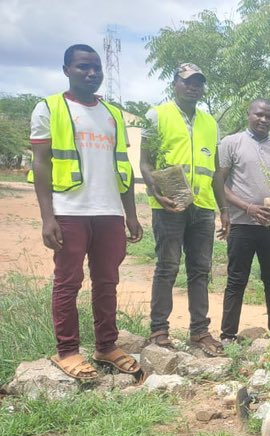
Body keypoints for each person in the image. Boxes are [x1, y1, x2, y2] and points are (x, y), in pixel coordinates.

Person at [29, 44, 143, 379]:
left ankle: (106, 346)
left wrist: (131, 214)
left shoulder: (112, 114)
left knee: (108, 281)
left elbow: (123, 166)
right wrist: (47, 217)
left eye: (96, 68)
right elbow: (41, 164)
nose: (91, 73)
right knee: (68, 282)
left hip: (109, 211)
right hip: (69, 210)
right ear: (66, 69)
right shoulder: (49, 108)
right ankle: (67, 352)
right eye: (83, 67)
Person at [141, 63, 227, 357]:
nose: (193, 87)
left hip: (202, 207)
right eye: (188, 82)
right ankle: (159, 331)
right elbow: (145, 162)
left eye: (199, 83)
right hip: (169, 206)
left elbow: (215, 170)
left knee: (200, 270)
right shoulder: (157, 115)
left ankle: (200, 332)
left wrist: (223, 209)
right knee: (167, 267)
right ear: (175, 83)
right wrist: (156, 192)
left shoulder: (210, 123)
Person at [217, 99, 270, 342]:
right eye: (259, 115)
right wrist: (248, 208)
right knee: (236, 279)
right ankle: (228, 335)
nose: (264, 120)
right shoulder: (231, 143)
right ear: (248, 114)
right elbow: (219, 183)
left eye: (269, 116)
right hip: (242, 224)